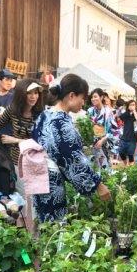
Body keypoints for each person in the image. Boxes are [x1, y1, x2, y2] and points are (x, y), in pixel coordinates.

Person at [30, 74, 111, 221]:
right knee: (55, 230)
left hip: (39, 179)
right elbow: (73, 159)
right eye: (83, 98)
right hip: (52, 183)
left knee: (43, 226)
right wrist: (98, 185)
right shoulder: (62, 123)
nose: (84, 102)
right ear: (72, 96)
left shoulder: (44, 115)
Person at [0, 79, 45, 165]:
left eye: (36, 93)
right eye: (29, 93)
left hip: (32, 161)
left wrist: (15, 140)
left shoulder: (41, 115)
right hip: (15, 160)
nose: (33, 96)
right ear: (21, 94)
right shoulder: (12, 110)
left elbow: (40, 142)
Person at [117, 101, 137, 165]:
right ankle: (126, 164)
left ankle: (130, 169)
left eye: (133, 105)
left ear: (135, 106)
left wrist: (134, 111)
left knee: (130, 155)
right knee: (121, 152)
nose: (132, 106)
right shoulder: (126, 114)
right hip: (124, 137)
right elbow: (119, 118)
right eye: (130, 105)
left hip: (132, 138)